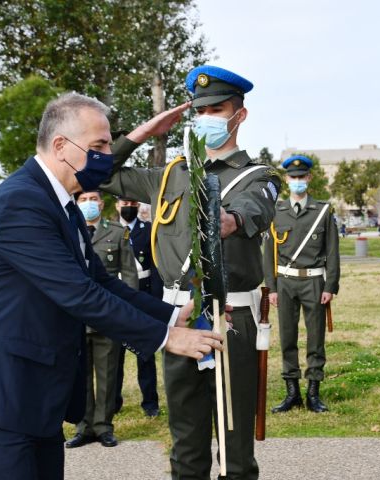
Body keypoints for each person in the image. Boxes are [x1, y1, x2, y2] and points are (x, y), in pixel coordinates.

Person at [0, 92, 223, 480]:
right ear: (60, 146)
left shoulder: (59, 203)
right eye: (99, 145)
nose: (107, 154)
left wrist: (173, 315)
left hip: (31, 395)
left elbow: (98, 280)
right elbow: (78, 294)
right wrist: (166, 339)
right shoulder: (20, 203)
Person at [102, 65, 280, 480]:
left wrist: (229, 220)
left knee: (235, 446)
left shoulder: (259, 176)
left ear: (240, 115)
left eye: (217, 109)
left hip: (230, 318)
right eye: (199, 111)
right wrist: (143, 133)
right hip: (179, 318)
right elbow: (97, 174)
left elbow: (254, 209)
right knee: (185, 442)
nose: (206, 120)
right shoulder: (168, 175)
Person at [264, 155, 340, 413]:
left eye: (301, 177)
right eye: (292, 177)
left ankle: (313, 393)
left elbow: (332, 252)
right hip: (285, 283)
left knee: (315, 338)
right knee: (287, 337)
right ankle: (292, 392)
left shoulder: (322, 212)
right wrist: (271, 288)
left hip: (314, 283)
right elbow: (268, 254)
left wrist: (331, 286)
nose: (297, 181)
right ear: (286, 180)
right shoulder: (276, 212)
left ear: (309, 178)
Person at [64, 190, 138, 449]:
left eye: (92, 199)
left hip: (108, 315)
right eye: (82, 200)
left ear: (101, 203)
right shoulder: (68, 231)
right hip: (76, 316)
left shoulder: (118, 232)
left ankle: (104, 426)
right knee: (81, 374)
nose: (88, 204)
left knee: (107, 374)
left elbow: (129, 276)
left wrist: (126, 313)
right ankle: (84, 427)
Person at [114, 196, 163, 418]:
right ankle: (112, 401)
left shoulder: (148, 229)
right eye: (124, 204)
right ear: (116, 205)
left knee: (145, 353)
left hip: (142, 294)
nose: (129, 207)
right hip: (115, 295)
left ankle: (150, 402)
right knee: (114, 354)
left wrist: (153, 301)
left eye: (133, 204)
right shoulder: (111, 230)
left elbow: (155, 267)